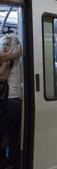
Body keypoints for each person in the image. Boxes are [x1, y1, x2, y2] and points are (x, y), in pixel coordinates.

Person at [0, 35, 22, 169]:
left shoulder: (9, 61)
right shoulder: (14, 56)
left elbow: (2, 75)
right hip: (15, 101)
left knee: (7, 133)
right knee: (13, 134)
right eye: (2, 43)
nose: (4, 46)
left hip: (9, 101)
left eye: (7, 44)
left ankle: (6, 162)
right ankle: (12, 161)